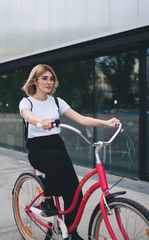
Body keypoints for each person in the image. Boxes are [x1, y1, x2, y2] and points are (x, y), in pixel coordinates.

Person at [19, 64, 119, 240]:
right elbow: (28, 115)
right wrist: (40, 122)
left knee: (75, 193)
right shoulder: (27, 102)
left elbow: (81, 119)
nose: (49, 82)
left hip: (57, 146)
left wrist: (106, 123)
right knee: (56, 160)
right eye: (44, 78)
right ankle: (47, 199)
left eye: (51, 79)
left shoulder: (57, 102)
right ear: (35, 81)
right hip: (38, 149)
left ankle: (71, 232)